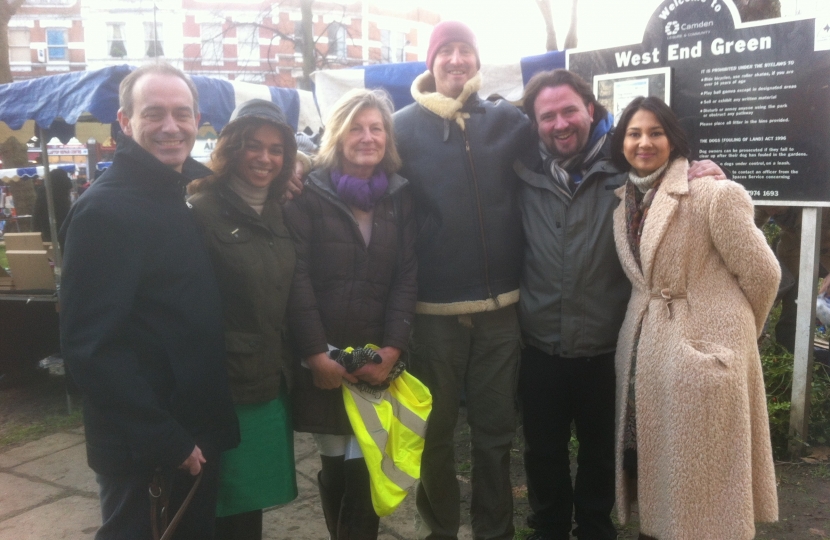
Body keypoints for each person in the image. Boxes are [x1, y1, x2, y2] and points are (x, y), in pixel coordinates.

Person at [513, 69, 724, 540]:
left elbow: (673, 174)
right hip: (540, 346)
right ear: (535, 123)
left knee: (601, 454)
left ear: (591, 108)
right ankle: (547, 528)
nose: (560, 123)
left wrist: (702, 168)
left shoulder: (627, 170)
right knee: (542, 453)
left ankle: (593, 528)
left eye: (569, 110)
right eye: (547, 116)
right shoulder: (520, 172)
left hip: (608, 346)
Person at [59, 63, 240, 540]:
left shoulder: (177, 194)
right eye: (153, 113)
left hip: (188, 431)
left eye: (182, 113)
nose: (170, 126)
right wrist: (167, 440)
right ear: (125, 121)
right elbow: (91, 348)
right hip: (149, 447)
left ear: (198, 119)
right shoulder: (105, 210)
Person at [610, 96, 779, 539]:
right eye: (634, 133)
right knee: (656, 477)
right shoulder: (621, 202)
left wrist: (732, 338)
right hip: (647, 363)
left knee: (704, 502)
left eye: (655, 132)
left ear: (674, 139)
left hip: (701, 362)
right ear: (621, 142)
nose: (644, 142)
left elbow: (764, 274)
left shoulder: (712, 193)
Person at [392, 21, 533, 540]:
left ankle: (494, 532)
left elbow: (570, 140)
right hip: (433, 316)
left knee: (495, 436)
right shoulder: (401, 126)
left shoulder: (505, 121)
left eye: (465, 51)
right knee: (436, 437)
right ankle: (441, 531)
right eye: (445, 51)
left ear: (477, 61)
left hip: (501, 311)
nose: (456, 60)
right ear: (431, 63)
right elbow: (351, 165)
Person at [285, 88, 417, 540]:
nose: (367, 137)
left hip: (376, 360)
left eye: (376, 128)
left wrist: (393, 348)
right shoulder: (308, 195)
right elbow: (296, 279)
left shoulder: (398, 197)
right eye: (356, 128)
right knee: (335, 462)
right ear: (338, 135)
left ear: (387, 138)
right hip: (324, 357)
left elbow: (406, 276)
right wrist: (315, 354)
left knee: (367, 465)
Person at [186, 99, 298, 540]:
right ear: (232, 147)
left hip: (269, 381)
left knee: (249, 503)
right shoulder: (200, 209)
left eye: (276, 149)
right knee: (221, 506)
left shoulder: (278, 210)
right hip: (224, 385)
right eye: (254, 146)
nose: (265, 158)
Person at [32, 168, 72, 242]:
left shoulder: (43, 195)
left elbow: (37, 219)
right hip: (57, 237)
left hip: (44, 237)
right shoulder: (59, 199)